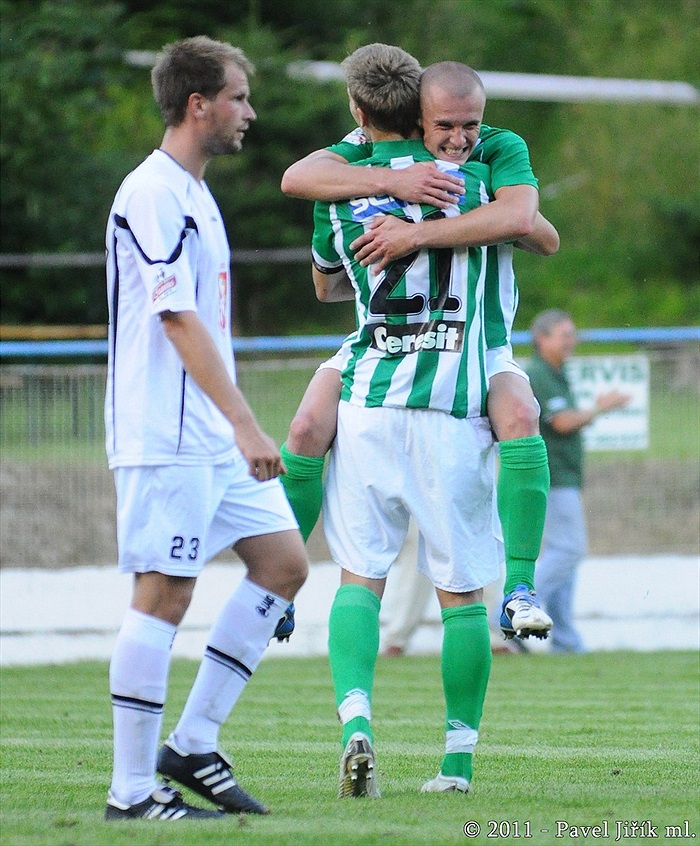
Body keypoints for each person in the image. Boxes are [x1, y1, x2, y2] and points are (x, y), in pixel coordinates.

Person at [310, 44, 531, 799]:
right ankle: (457, 763)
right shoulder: (470, 183)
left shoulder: (336, 193)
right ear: (423, 114)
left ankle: (355, 723)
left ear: (358, 113)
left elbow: (322, 279)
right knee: (461, 594)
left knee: (359, 579)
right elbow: (535, 228)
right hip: (448, 403)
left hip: (369, 400)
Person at [280, 51, 557, 642]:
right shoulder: (362, 156)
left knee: (521, 414)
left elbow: (534, 227)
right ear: (417, 118)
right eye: (445, 127)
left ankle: (520, 587)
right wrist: (393, 183)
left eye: (469, 125)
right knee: (305, 428)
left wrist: (416, 234)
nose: (459, 138)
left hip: (475, 340)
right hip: (387, 338)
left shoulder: (496, 149)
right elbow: (297, 182)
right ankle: (274, 586)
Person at [103, 36, 308, 821]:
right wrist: (249, 424)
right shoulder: (151, 192)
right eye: (240, 97)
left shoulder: (196, 191)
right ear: (199, 104)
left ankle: (190, 745)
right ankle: (129, 793)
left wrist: (235, 431)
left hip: (211, 438)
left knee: (284, 564)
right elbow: (178, 319)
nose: (249, 113)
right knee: (162, 596)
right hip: (167, 432)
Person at [527, 310, 630, 653]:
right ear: (542, 338)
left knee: (564, 559)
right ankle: (513, 612)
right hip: (553, 476)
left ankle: (566, 640)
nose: (571, 341)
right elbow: (562, 423)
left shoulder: (557, 373)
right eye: (564, 335)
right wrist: (600, 409)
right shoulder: (539, 375)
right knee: (570, 550)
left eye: (573, 334)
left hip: (565, 476)